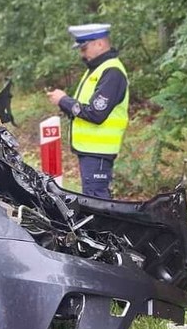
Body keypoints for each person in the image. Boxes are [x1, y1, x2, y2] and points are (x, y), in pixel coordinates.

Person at [46, 23, 129, 199]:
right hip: (91, 150)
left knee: (96, 200)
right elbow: (81, 110)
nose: (82, 54)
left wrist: (64, 100)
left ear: (100, 44)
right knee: (93, 198)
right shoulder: (97, 70)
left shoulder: (111, 72)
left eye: (84, 48)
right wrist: (64, 103)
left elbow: (95, 113)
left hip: (98, 150)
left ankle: (104, 228)